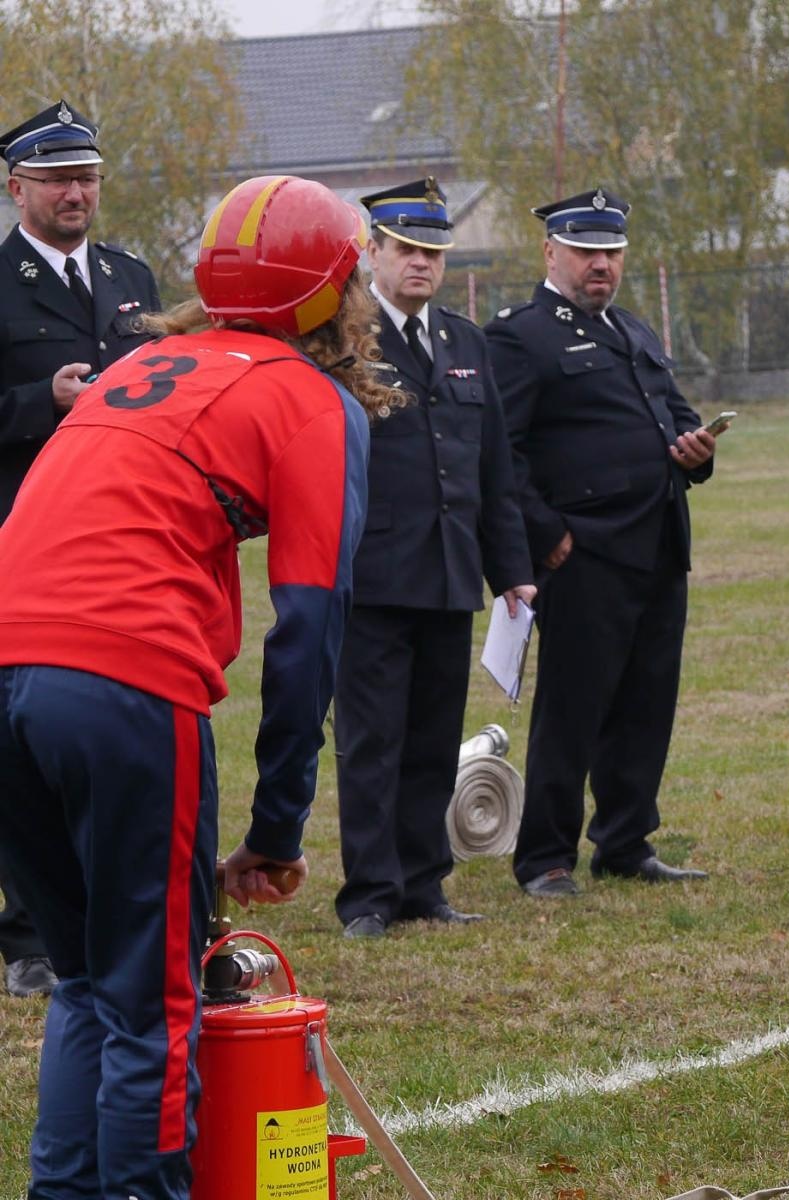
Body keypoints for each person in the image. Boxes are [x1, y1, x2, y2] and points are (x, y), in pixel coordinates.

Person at [0, 174, 382, 1200]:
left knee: (85, 982)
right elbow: (307, 632)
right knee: (154, 1003)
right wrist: (278, 828)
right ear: (335, 294)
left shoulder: (146, 363)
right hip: (120, 680)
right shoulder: (313, 400)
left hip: (5, 663)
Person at [486, 187, 717, 898]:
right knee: (573, 709)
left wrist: (697, 449)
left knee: (646, 704)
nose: (601, 265)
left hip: (657, 545)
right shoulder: (521, 338)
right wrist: (545, 534)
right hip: (584, 552)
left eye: (611, 253)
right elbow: (501, 454)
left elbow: (677, 418)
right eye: (586, 251)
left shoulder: (636, 332)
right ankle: (546, 857)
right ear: (550, 252)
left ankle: (625, 840)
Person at [333, 177, 535, 939]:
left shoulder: (463, 341)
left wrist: (511, 568)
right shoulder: (341, 342)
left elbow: (493, 471)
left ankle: (424, 884)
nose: (421, 264)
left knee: (430, 740)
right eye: (407, 250)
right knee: (371, 744)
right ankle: (370, 894)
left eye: (434, 253)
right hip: (374, 577)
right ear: (374, 252)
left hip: (450, 573)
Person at [0, 99, 162, 999]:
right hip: (19, 538)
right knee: (24, 738)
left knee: (99, 732)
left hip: (117, 535)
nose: (77, 191)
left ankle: (104, 905)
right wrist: (39, 402)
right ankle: (28, 932)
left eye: (88, 175)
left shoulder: (131, 276)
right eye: (59, 176)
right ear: (16, 185)